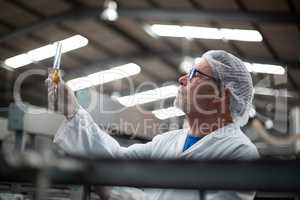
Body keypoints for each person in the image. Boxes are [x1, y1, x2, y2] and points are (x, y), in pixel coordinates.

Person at [49, 50, 259, 200]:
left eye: (195, 75)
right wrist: (73, 111)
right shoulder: (167, 141)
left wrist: (116, 193)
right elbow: (115, 160)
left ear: (221, 95)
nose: (182, 79)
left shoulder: (240, 152)